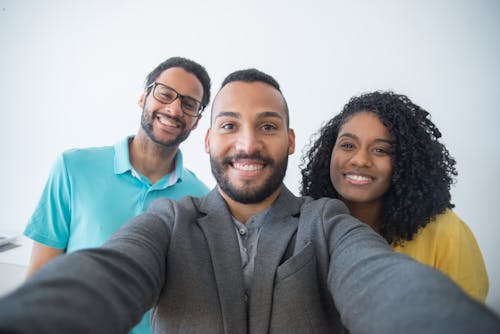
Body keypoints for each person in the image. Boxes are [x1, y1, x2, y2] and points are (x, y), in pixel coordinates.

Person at [1, 70, 499, 334]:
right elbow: (108, 271)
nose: (247, 144)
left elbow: (384, 283)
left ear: (290, 140)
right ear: (208, 142)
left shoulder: (328, 220)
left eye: (267, 126)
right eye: (229, 125)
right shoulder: (169, 219)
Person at [22, 56, 212, 333]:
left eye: (189, 104)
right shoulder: (73, 168)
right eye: (165, 93)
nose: (174, 109)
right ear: (142, 97)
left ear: (196, 121)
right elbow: (39, 277)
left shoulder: (201, 200)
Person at [300, 91, 489, 302]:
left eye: (380, 150)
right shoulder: (305, 228)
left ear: (405, 162)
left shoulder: (447, 234)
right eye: (348, 145)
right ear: (329, 152)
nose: (360, 160)